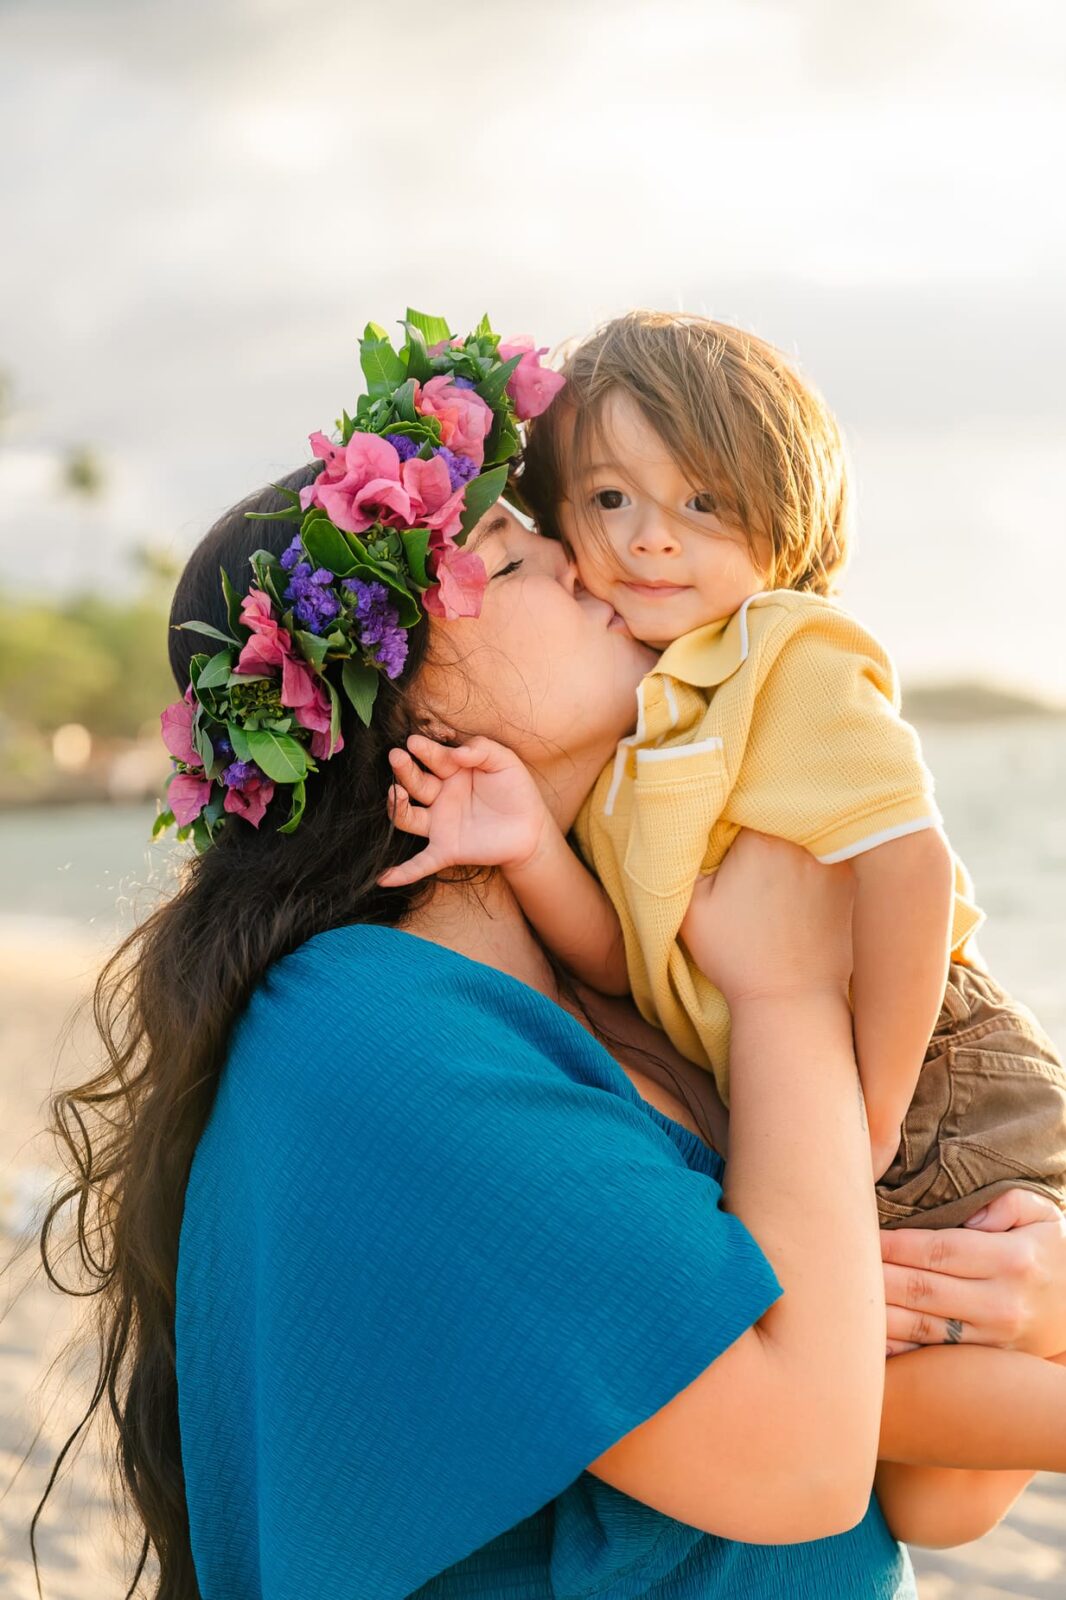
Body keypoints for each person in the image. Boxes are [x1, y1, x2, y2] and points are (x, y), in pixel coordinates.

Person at [35, 315, 1066, 1600]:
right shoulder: (372, 1038)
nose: (592, 563)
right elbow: (794, 1461)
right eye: (514, 558)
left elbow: (882, 1428)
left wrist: (1031, 1304)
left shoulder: (593, 989)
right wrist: (787, 987)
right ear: (397, 694)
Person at [382, 311, 1066, 1490]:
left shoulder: (779, 653)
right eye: (605, 501)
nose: (648, 541)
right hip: (814, 1077)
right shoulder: (635, 718)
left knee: (871, 1380)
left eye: (703, 504)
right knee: (890, 1439)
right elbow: (623, 958)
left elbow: (905, 862)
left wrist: (875, 1111)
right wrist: (532, 841)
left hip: (933, 1063)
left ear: (785, 516)